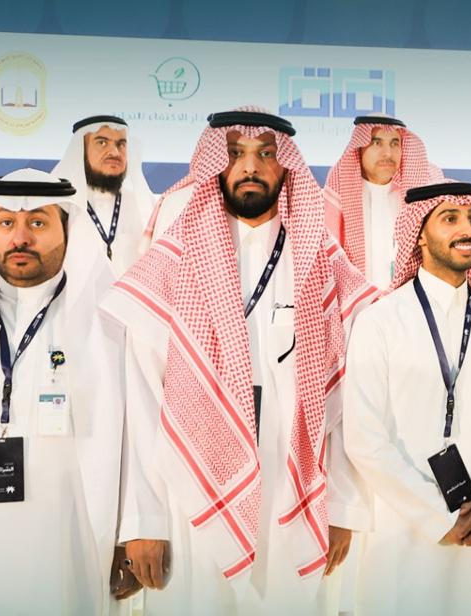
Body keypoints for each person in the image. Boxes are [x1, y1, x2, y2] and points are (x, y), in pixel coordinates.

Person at [101, 108, 374, 614]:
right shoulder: (175, 258)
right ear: (216, 165)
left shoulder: (319, 258)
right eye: (235, 154)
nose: (250, 166)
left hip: (291, 483)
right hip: (193, 486)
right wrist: (146, 520)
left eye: (266, 154)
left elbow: (348, 391)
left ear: (285, 165)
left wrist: (341, 504)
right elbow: (141, 398)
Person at [0, 169, 128, 615]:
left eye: (38, 222)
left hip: (67, 535)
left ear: (68, 230)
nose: (20, 238)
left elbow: (136, 438)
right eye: (6, 222)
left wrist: (133, 529)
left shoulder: (109, 321)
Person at [342, 180, 471, 614]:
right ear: (419, 235)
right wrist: (436, 517)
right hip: (401, 539)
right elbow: (364, 439)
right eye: (450, 219)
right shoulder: (379, 322)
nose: (467, 230)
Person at [322, 114, 442, 288]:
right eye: (377, 143)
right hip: (354, 300)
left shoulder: (416, 196)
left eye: (394, 143)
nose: (388, 153)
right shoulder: (339, 195)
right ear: (359, 148)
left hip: (408, 298)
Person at [51, 115, 155, 274]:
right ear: (80, 150)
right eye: (102, 142)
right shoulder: (58, 205)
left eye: (121, 144)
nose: (115, 152)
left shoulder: (143, 204)